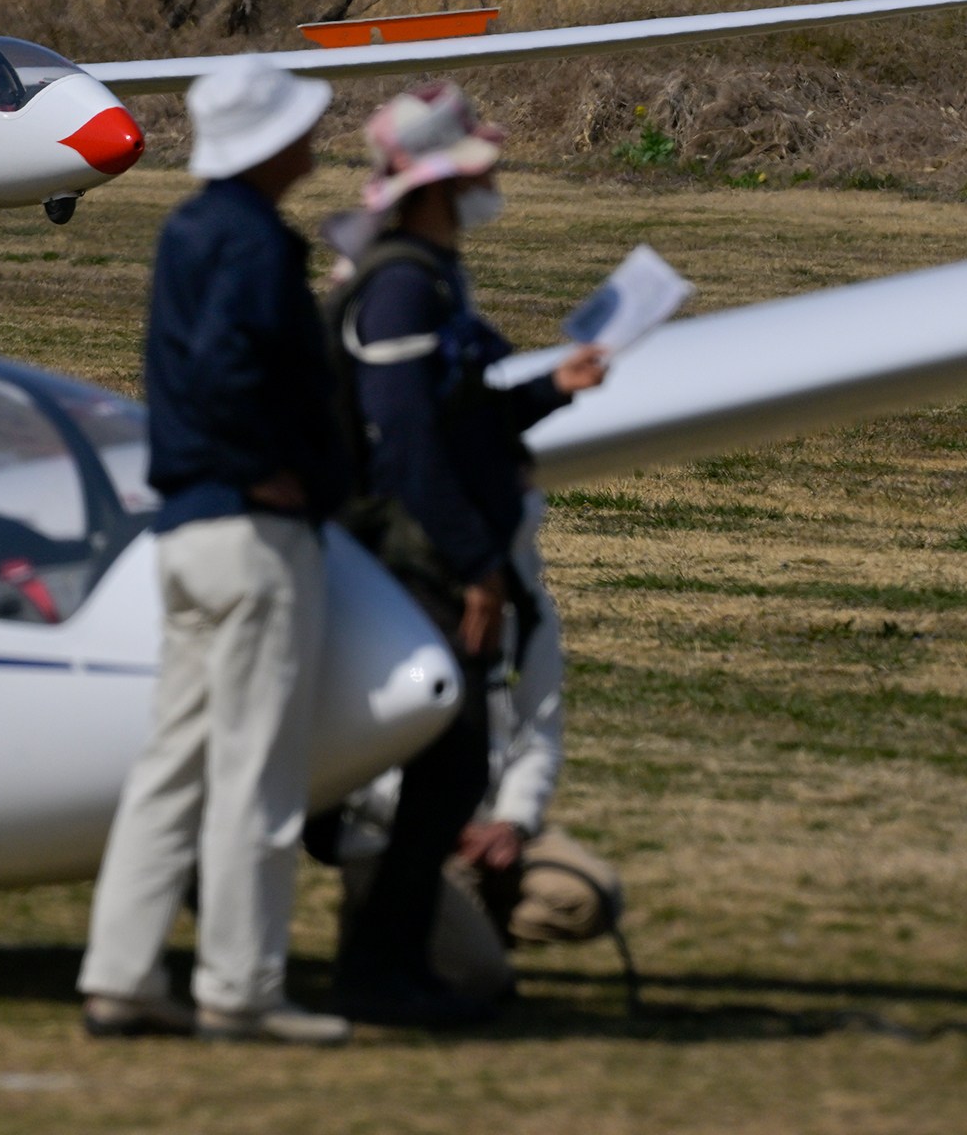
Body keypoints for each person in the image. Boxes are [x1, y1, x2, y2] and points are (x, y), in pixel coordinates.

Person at [316, 81, 605, 1028]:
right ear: (439, 186)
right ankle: (381, 969)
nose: (491, 182)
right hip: (415, 562)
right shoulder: (404, 285)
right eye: (478, 170)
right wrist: (477, 564)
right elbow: (407, 445)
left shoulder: (428, 276)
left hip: (426, 555)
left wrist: (552, 389)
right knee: (444, 773)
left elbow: (459, 414)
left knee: (451, 772)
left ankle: (391, 963)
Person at [77, 60, 352, 1047]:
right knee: (255, 771)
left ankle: (120, 974)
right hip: (249, 531)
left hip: (186, 528)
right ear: (269, 143)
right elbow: (230, 367)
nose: (313, 141)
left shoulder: (188, 229)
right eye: (299, 128)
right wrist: (266, 468)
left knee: (173, 763)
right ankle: (240, 986)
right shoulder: (253, 242)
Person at [315, 495, 624, 1006]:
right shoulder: (397, 606)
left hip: (490, 825)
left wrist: (512, 823)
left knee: (589, 898)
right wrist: (441, 821)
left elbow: (540, 733)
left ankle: (448, 931)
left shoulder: (530, 611)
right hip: (401, 830)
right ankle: (411, 934)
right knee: (479, 982)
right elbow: (365, 746)